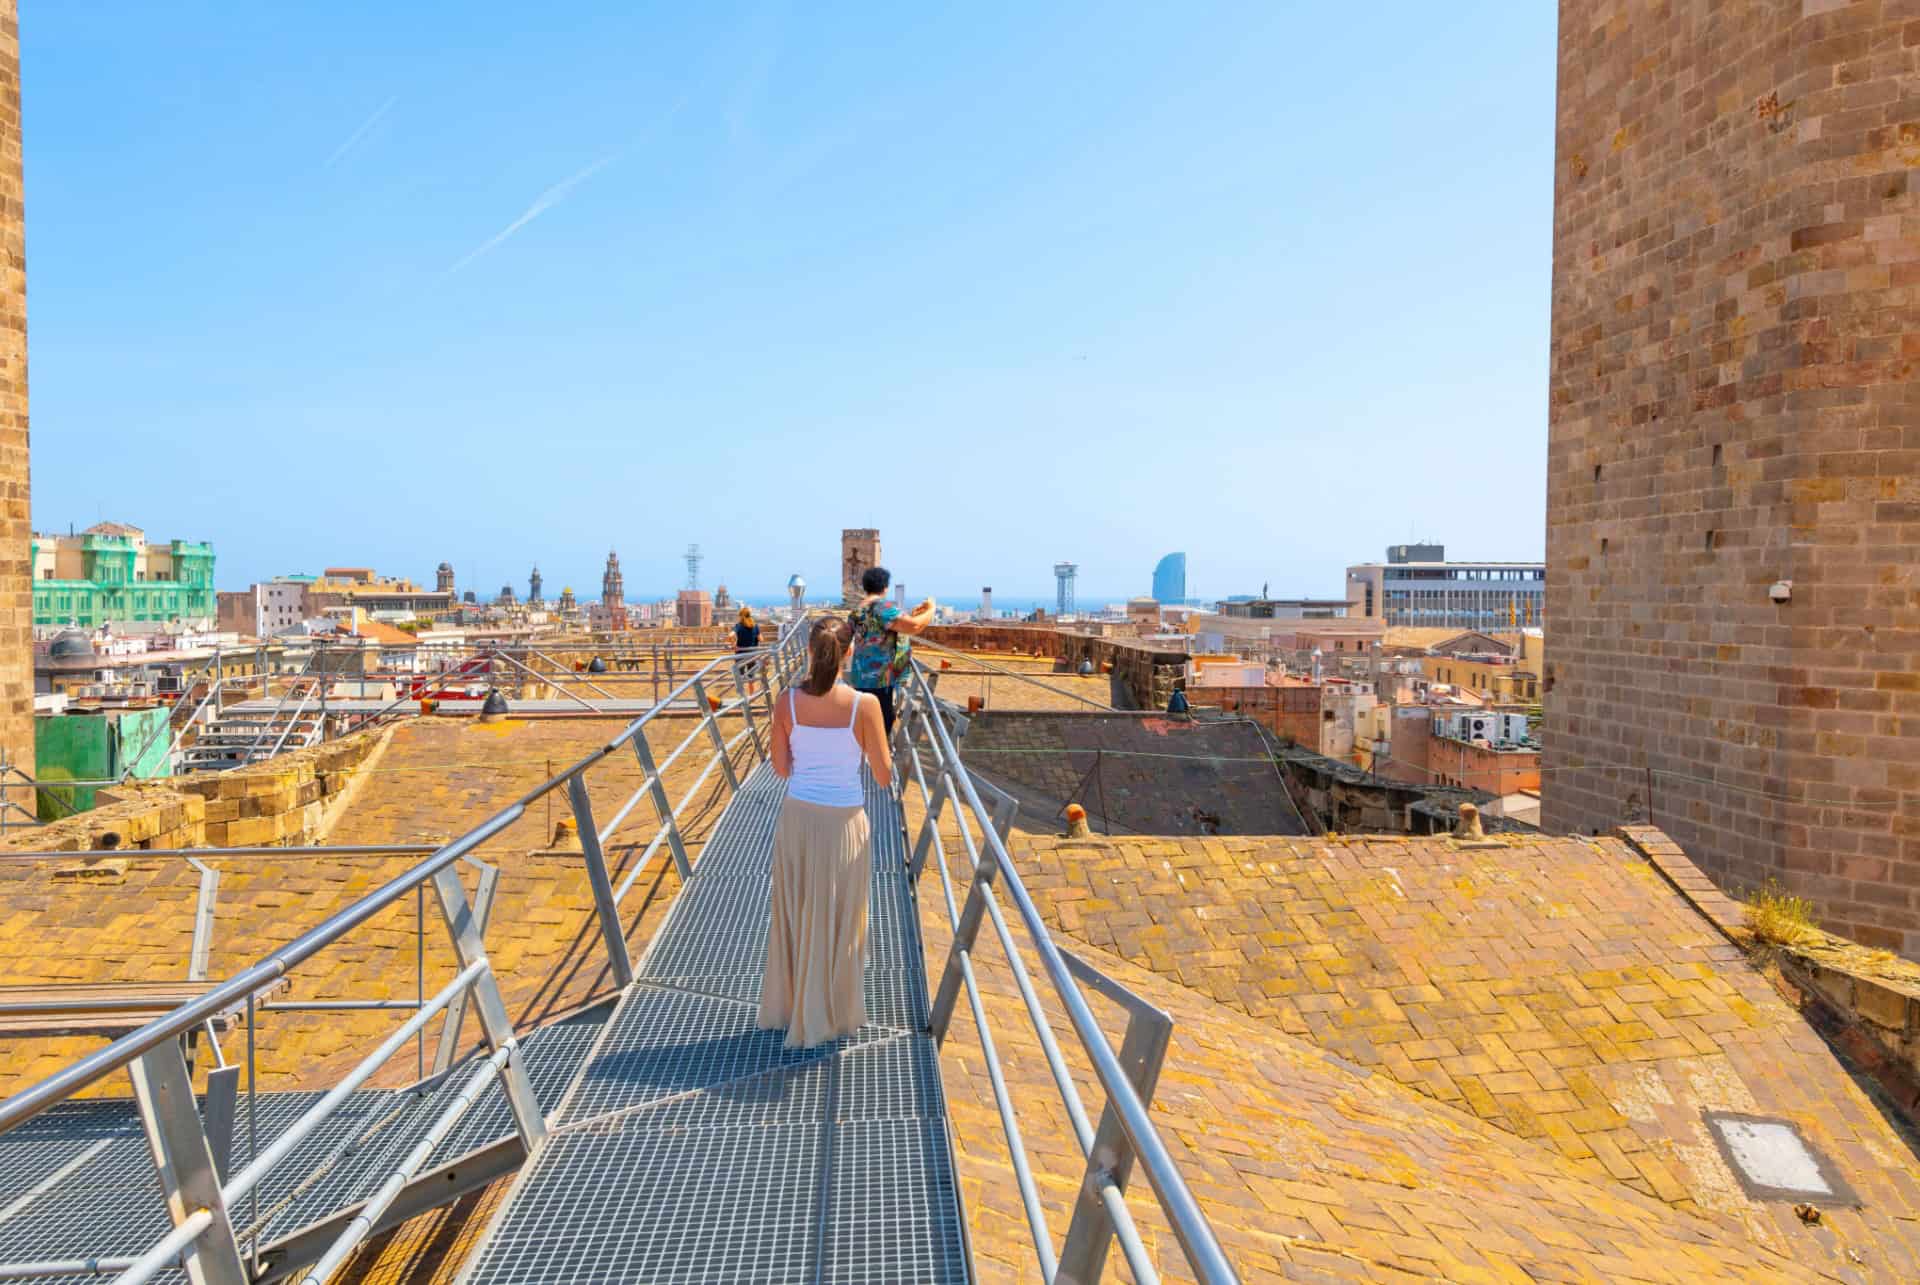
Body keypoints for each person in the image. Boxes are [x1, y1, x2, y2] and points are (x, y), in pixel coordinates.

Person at [758, 617, 893, 1048]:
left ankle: (795, 1006)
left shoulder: (787, 702)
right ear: (849, 652)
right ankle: (832, 1010)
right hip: (844, 823)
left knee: (797, 912)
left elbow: (781, 768)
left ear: (809, 652)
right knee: (841, 917)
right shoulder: (864, 705)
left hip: (798, 818)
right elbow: (884, 775)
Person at [846, 566, 933, 737]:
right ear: (885, 587)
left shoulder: (857, 610)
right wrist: (931, 609)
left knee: (862, 727)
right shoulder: (882, 608)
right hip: (880, 681)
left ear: (865, 587)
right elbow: (915, 626)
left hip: (859, 678)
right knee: (880, 729)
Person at [732, 605, 761, 692]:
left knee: (740, 677)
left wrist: (733, 645)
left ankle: (742, 696)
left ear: (741, 616)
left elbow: (731, 635)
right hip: (752, 654)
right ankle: (752, 696)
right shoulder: (755, 626)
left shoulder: (739, 626)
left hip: (740, 654)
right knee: (751, 677)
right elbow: (761, 639)